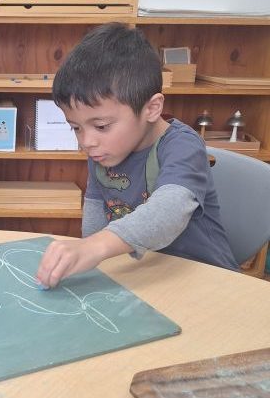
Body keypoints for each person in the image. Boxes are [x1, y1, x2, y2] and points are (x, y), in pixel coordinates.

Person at [36, 23, 239, 288]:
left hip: (205, 280)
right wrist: (87, 252)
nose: (87, 141)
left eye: (101, 126)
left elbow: (170, 212)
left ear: (152, 108)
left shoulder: (182, 145)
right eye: (76, 127)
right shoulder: (105, 151)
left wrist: (95, 247)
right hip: (147, 276)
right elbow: (96, 216)